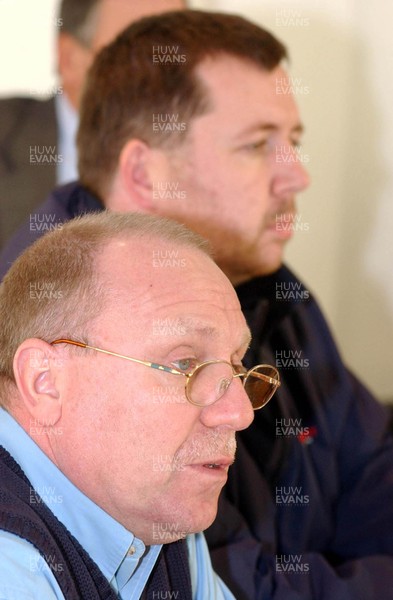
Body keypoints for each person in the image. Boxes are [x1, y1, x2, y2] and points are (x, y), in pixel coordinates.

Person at [1, 10, 393, 599]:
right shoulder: (70, 320)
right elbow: (249, 585)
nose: (298, 175)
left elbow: (374, 470)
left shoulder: (272, 290)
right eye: (258, 144)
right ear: (145, 172)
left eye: (294, 141)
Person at [0, 211, 281, 598]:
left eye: (237, 364)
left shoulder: (157, 519)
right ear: (44, 381)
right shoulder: (10, 567)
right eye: (185, 364)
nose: (239, 412)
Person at [0, 0, 185, 249]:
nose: (166, 74)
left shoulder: (211, 149)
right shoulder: (8, 132)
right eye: (138, 53)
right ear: (69, 58)